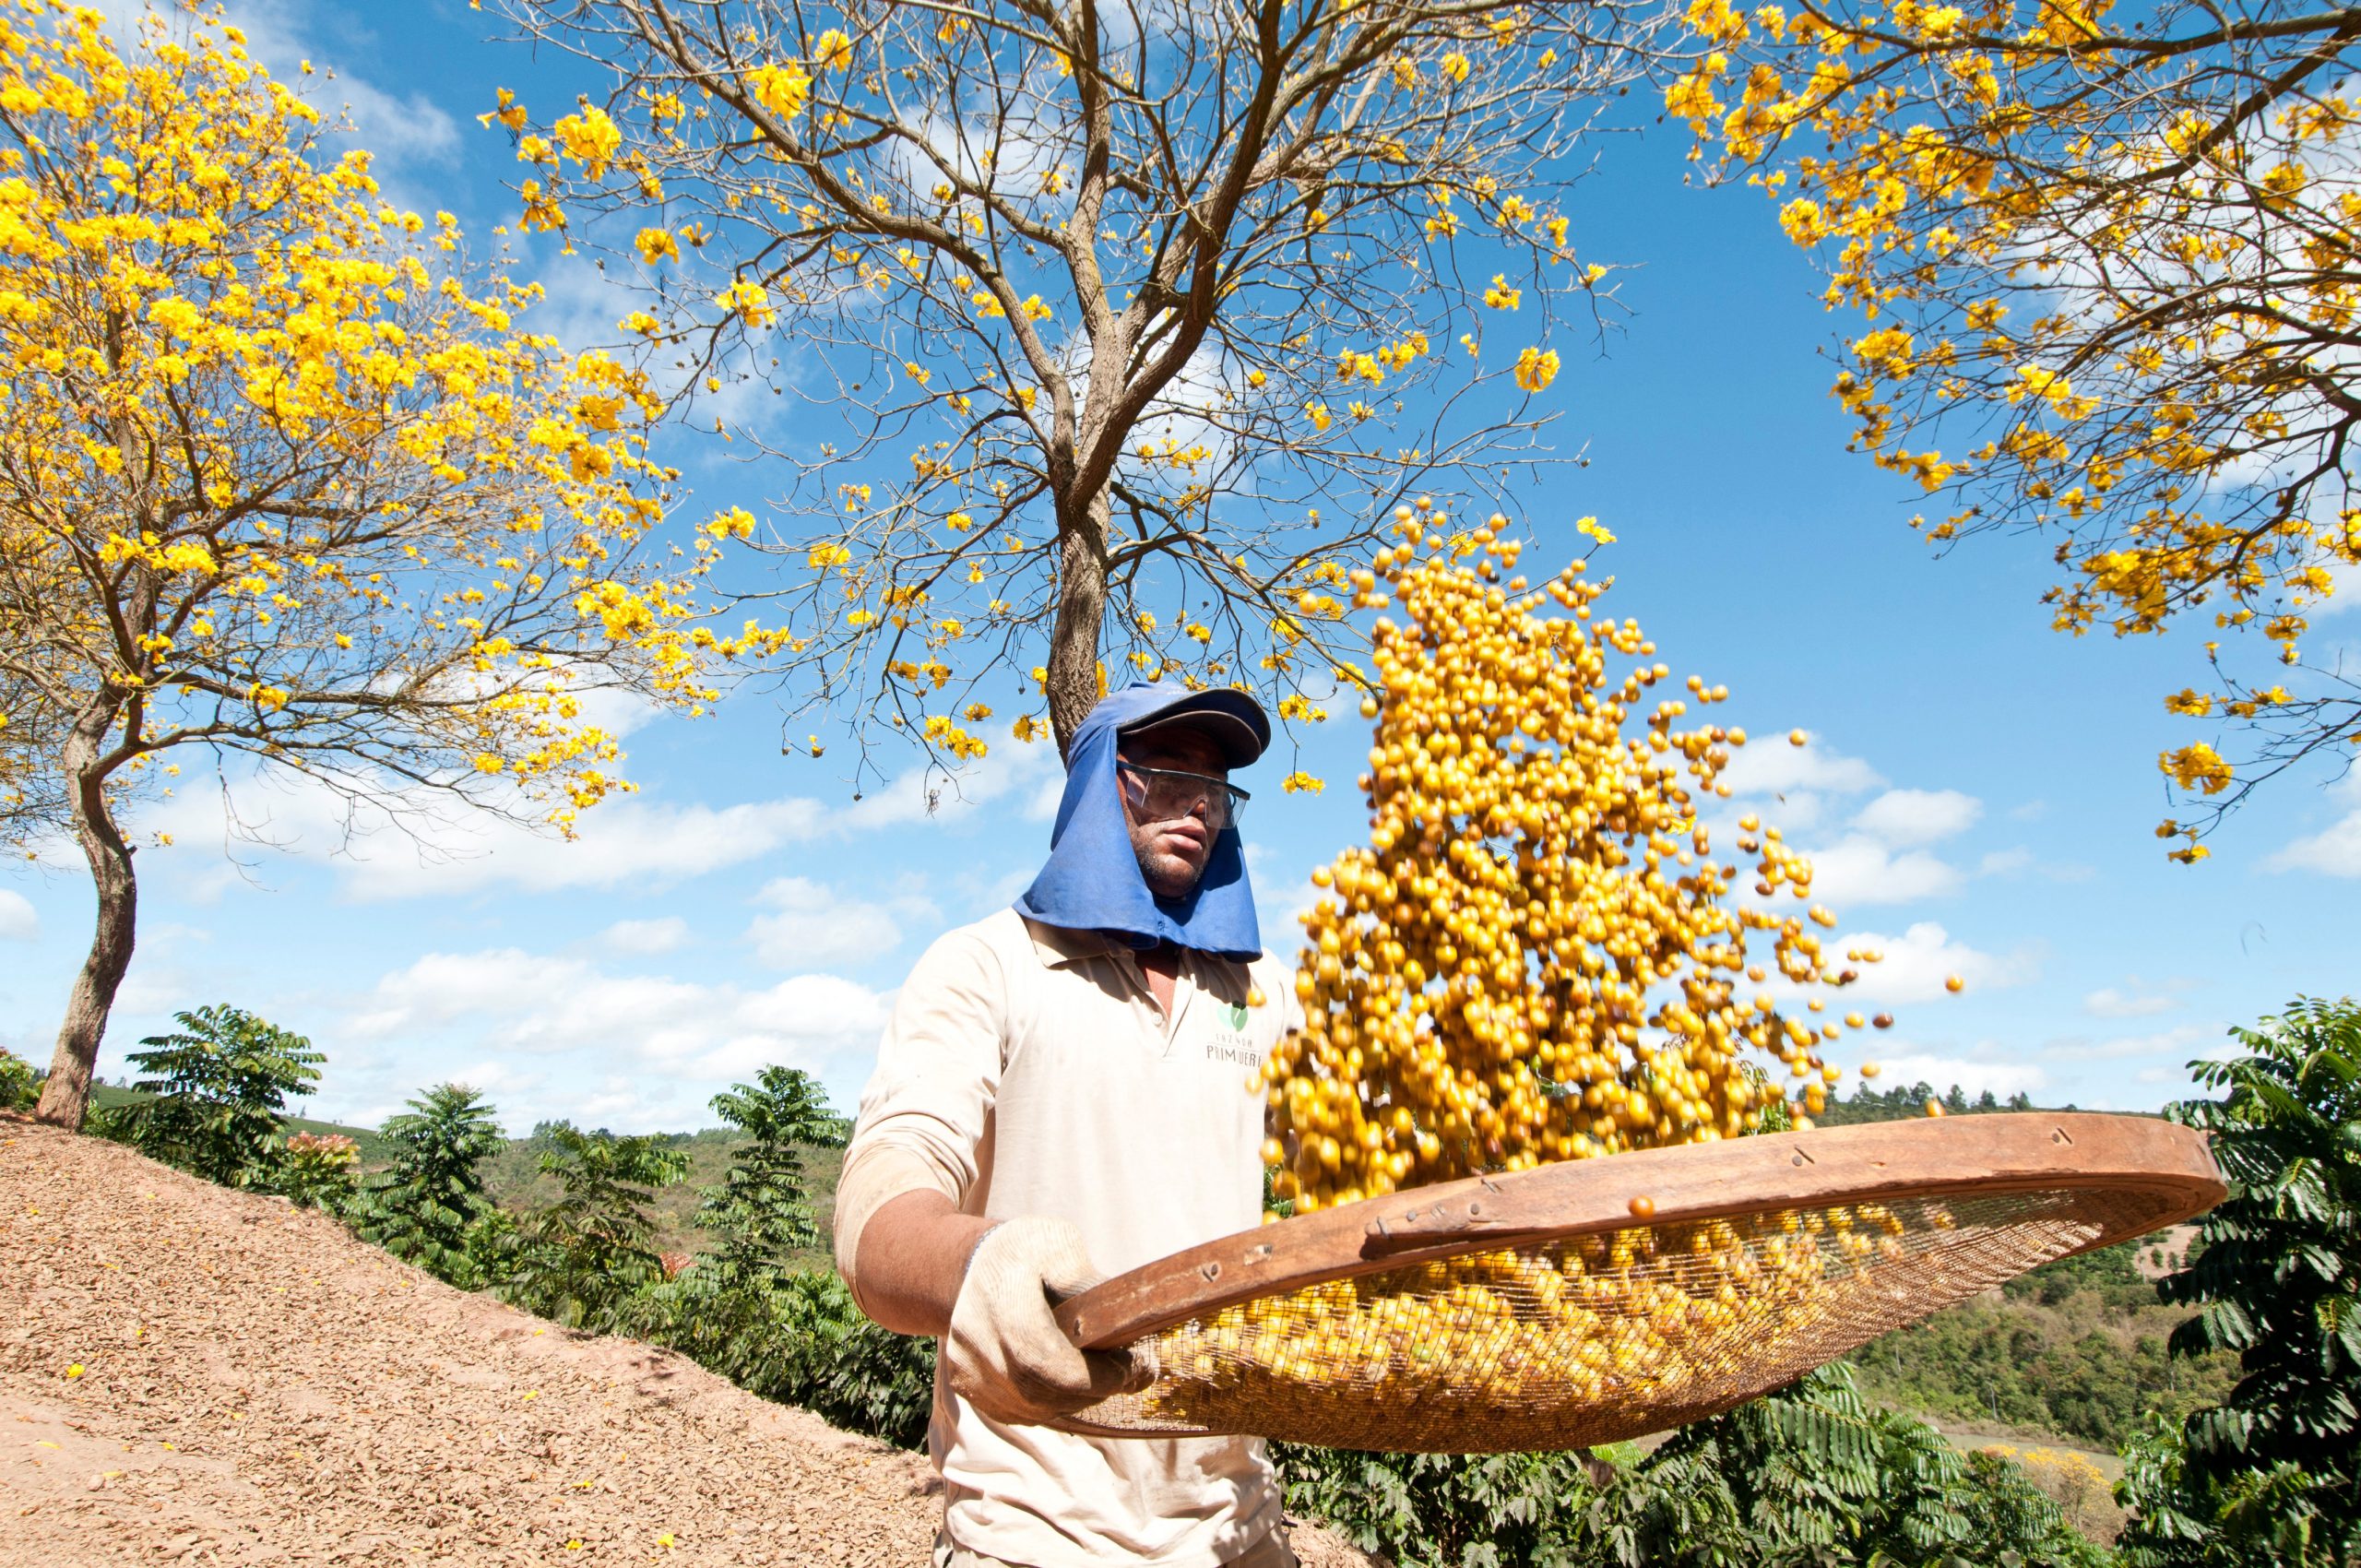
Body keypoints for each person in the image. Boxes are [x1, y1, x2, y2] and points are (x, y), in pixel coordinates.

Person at [834, 682, 1301, 1568]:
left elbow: (1351, 1164)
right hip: (1037, 1523)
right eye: (1169, 772)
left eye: (1218, 785)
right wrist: (981, 1265)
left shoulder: (1263, 990)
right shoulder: (990, 967)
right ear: (1103, 783)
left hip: (1235, 1517)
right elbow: (884, 1196)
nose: (1200, 801)